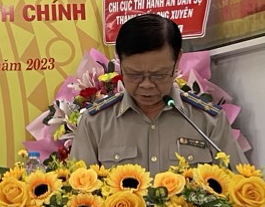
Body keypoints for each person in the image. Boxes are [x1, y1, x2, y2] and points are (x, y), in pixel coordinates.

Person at [71, 13, 245, 172]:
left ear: (177, 60)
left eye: (158, 75)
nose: (147, 85)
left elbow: (239, 186)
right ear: (120, 62)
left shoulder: (208, 121)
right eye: (134, 75)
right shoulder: (95, 123)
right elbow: (77, 191)